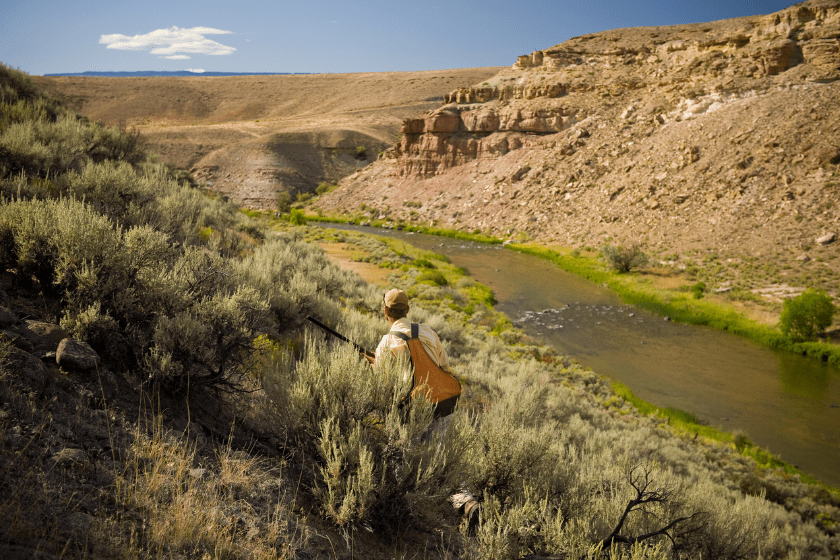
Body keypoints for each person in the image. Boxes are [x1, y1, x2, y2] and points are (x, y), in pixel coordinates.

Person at [365, 288, 460, 418]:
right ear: (407, 309)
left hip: (417, 409)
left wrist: (374, 364)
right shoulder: (427, 331)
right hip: (444, 404)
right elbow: (444, 366)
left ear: (385, 310)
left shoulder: (387, 341)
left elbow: (383, 381)